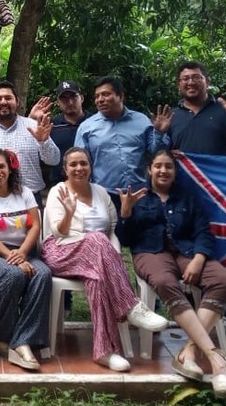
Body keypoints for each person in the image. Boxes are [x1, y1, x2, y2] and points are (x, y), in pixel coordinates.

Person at [116, 150, 226, 398]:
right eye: (158, 166)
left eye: (168, 166)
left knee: (223, 280)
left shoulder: (187, 196)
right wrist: (125, 213)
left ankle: (189, 352)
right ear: (149, 169)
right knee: (164, 281)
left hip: (187, 252)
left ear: (175, 170)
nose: (163, 171)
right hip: (150, 252)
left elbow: (203, 231)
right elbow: (125, 239)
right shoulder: (137, 196)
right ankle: (216, 360)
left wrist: (199, 259)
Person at [41, 147, 168, 372]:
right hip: (61, 252)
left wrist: (112, 256)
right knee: (98, 239)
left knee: (97, 277)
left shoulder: (100, 192)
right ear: (65, 169)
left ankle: (104, 352)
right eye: (73, 164)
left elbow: (113, 229)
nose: (79, 168)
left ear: (90, 167)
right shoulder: (57, 191)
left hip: (96, 255)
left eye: (84, 163)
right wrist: (69, 212)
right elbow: (59, 234)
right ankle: (130, 306)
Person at [167, 61, 226, 344]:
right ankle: (196, 318)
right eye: (184, 79)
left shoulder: (224, 110)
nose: (190, 82)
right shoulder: (173, 116)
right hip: (185, 199)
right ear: (179, 85)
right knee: (188, 250)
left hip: (222, 199)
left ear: (206, 80)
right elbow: (162, 156)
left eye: (196, 77)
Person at [0, 148, 51, 371]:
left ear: (9, 168)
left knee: (43, 274)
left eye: (1, 166)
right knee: (14, 274)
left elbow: (35, 226)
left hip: (24, 250)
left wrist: (22, 253)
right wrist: (14, 258)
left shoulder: (24, 192)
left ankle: (23, 340)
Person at [75, 76, 172, 208]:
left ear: (120, 96)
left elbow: (155, 153)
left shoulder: (141, 121)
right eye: (97, 96)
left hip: (140, 193)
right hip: (104, 195)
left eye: (105, 94)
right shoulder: (86, 127)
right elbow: (79, 164)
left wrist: (160, 133)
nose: (100, 100)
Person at [0, 80, 60, 207]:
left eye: (8, 98)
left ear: (17, 101)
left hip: (31, 199)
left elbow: (54, 160)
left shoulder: (33, 126)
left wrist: (43, 141)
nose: (3, 102)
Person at [43, 81, 88, 188]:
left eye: (74, 97)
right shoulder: (51, 126)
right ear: (58, 102)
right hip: (60, 184)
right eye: (64, 99)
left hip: (90, 182)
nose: (70, 102)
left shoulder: (94, 123)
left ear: (81, 98)